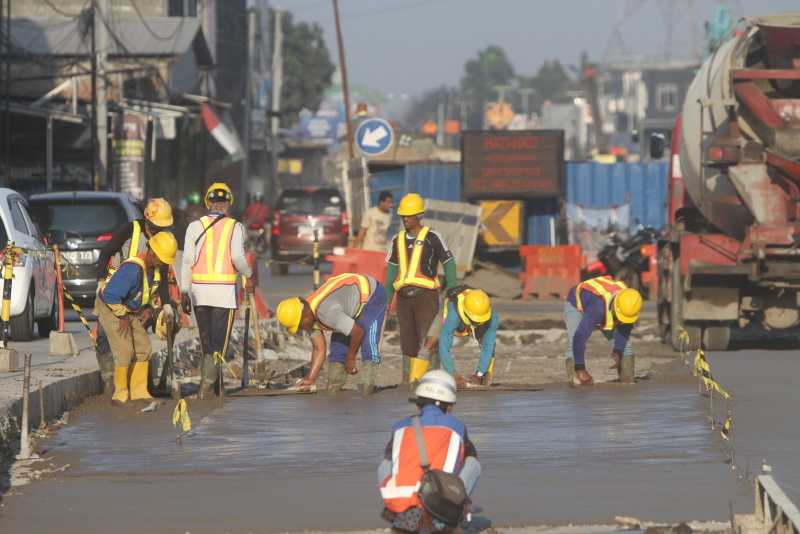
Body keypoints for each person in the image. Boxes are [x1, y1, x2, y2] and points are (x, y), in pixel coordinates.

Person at [378, 370, 481, 533]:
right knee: (472, 463)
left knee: (386, 463)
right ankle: (460, 508)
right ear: (449, 405)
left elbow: (390, 464)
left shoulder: (399, 427)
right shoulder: (457, 427)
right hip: (440, 508)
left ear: (419, 404)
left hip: (401, 506)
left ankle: (395, 512)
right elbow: (471, 459)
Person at [180, 182, 253, 399]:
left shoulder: (194, 226)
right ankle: (207, 388)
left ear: (207, 203)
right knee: (218, 342)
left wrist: (185, 290)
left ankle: (214, 385)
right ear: (229, 204)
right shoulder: (235, 227)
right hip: (223, 293)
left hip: (199, 292)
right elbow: (238, 258)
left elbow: (186, 261)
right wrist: (249, 274)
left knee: (206, 340)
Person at [94, 198, 175, 392]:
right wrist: (101, 280)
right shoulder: (132, 229)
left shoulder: (162, 241)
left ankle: (138, 386)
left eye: (162, 227)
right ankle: (108, 379)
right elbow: (106, 253)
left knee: (139, 341)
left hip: (138, 297)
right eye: (156, 226)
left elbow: (162, 276)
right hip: (116, 289)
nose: (158, 230)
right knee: (105, 336)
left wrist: (166, 304)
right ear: (147, 219)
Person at [385, 193, 457, 384]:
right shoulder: (397, 240)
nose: (404, 219)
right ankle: (408, 380)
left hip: (426, 296)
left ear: (419, 215)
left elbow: (449, 263)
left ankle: (432, 379)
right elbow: (391, 271)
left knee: (429, 340)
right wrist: (386, 300)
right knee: (407, 342)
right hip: (403, 298)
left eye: (408, 215)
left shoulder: (433, 237)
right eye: (402, 216)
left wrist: (453, 289)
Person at [275, 273, 387, 395]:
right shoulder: (307, 317)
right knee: (338, 348)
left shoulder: (326, 313)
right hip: (346, 304)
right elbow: (319, 349)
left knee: (368, 342)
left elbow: (358, 332)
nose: (302, 329)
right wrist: (310, 379)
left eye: (300, 326)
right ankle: (335, 385)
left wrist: (351, 358)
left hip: (372, 295)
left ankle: (367, 386)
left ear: (304, 315)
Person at [564, 276, 642, 386]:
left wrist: (618, 351)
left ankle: (627, 379)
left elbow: (625, 329)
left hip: (603, 306)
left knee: (626, 347)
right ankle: (576, 378)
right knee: (573, 341)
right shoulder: (597, 308)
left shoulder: (629, 302)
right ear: (616, 308)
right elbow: (579, 337)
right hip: (576, 303)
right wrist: (580, 368)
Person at [435, 286, 499, 388]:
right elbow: (444, 345)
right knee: (432, 341)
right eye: (475, 321)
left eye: (480, 321)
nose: (478, 323)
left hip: (468, 320)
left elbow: (488, 346)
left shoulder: (492, 318)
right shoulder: (453, 316)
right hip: (454, 320)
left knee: (488, 344)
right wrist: (453, 375)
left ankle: (485, 374)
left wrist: (479, 374)